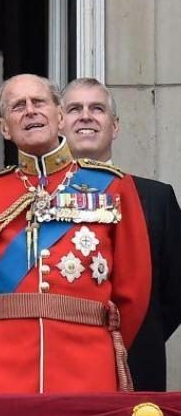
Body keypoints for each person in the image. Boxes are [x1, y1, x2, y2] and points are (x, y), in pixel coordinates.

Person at [0, 74, 151, 393]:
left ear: (60, 116)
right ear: (4, 127)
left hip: (87, 365)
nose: (30, 111)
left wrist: (101, 345)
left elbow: (134, 290)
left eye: (39, 102)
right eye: (18, 106)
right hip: (2, 367)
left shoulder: (114, 186)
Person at [61, 77, 181, 391]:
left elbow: (175, 293)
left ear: (114, 126)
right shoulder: (35, 197)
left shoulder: (156, 198)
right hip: (59, 365)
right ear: (60, 124)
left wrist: (130, 338)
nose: (86, 116)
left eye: (97, 109)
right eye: (75, 109)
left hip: (136, 362)